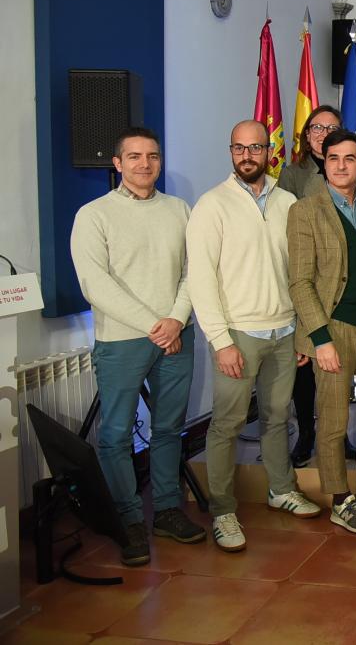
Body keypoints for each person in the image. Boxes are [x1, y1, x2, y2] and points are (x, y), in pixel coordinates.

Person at [70, 127, 204, 566]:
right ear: (117, 164)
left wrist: (175, 320)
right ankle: (128, 518)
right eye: (134, 157)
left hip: (175, 337)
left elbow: (194, 272)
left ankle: (166, 510)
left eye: (152, 156)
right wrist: (154, 324)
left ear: (159, 161)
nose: (144, 164)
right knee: (114, 435)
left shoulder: (179, 210)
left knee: (168, 428)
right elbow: (95, 284)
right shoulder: (93, 215)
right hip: (123, 341)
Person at [187, 120, 321, 553]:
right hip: (238, 335)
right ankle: (223, 511)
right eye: (240, 148)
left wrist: (301, 330)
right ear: (231, 152)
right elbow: (200, 278)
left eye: (256, 148)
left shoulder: (286, 202)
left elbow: (299, 272)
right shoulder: (212, 205)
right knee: (226, 424)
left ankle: (280, 488)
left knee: (278, 417)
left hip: (283, 332)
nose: (248, 156)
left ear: (269, 152)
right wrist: (221, 341)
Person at [287, 129, 356, 534]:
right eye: (333, 159)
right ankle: (341, 498)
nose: (342, 166)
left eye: (350, 158)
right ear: (323, 163)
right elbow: (300, 282)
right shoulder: (305, 211)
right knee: (333, 417)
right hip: (333, 327)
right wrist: (319, 339)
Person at [277, 103, 343, 469]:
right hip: (307, 283)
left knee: (339, 368)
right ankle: (306, 433)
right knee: (306, 368)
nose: (323, 133)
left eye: (331, 127)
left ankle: (339, 436)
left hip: (342, 284)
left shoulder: (354, 169)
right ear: (307, 136)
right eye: (316, 128)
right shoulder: (292, 175)